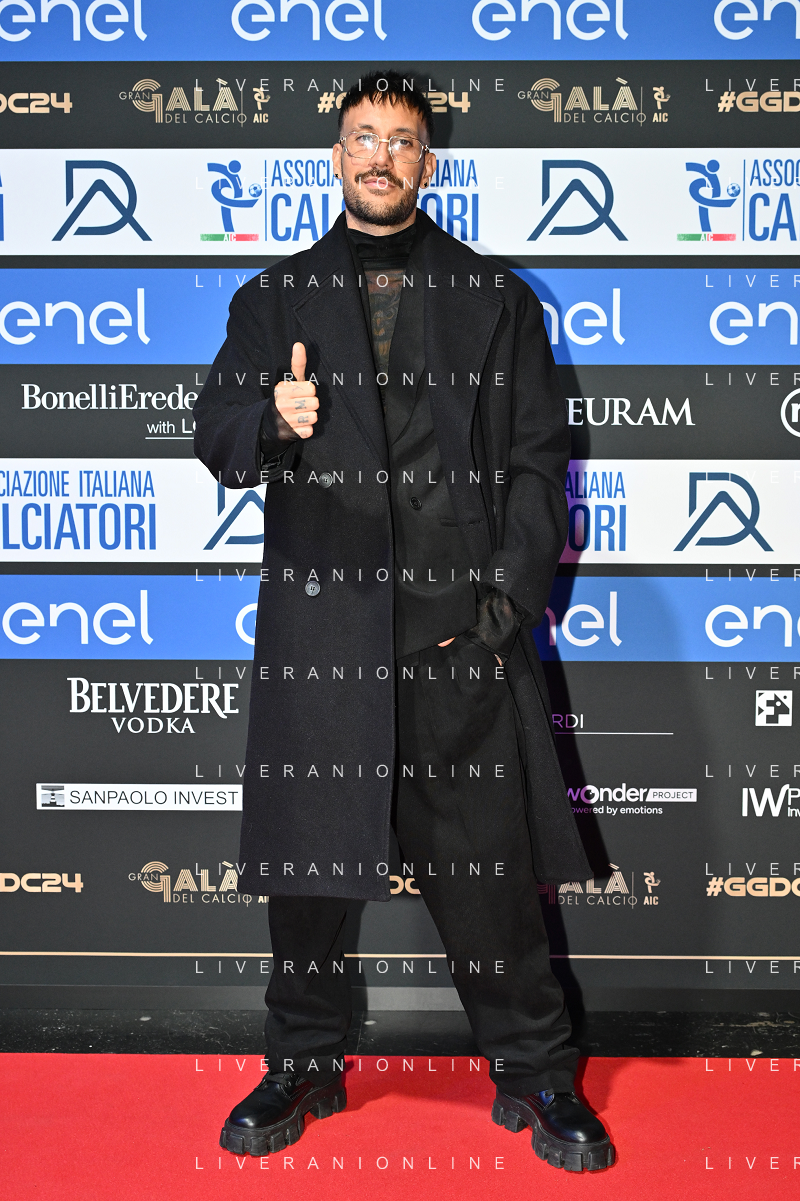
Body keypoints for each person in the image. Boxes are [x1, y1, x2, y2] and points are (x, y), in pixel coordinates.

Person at [193, 70, 613, 1174]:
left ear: (428, 162)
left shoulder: (496, 297)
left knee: (490, 879)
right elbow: (214, 431)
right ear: (335, 156)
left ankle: (536, 1071)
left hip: (453, 638)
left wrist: (502, 605)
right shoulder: (273, 297)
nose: (380, 155)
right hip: (324, 640)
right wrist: (271, 419)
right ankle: (302, 1060)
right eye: (362, 137)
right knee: (307, 881)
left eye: (403, 140)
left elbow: (539, 461)